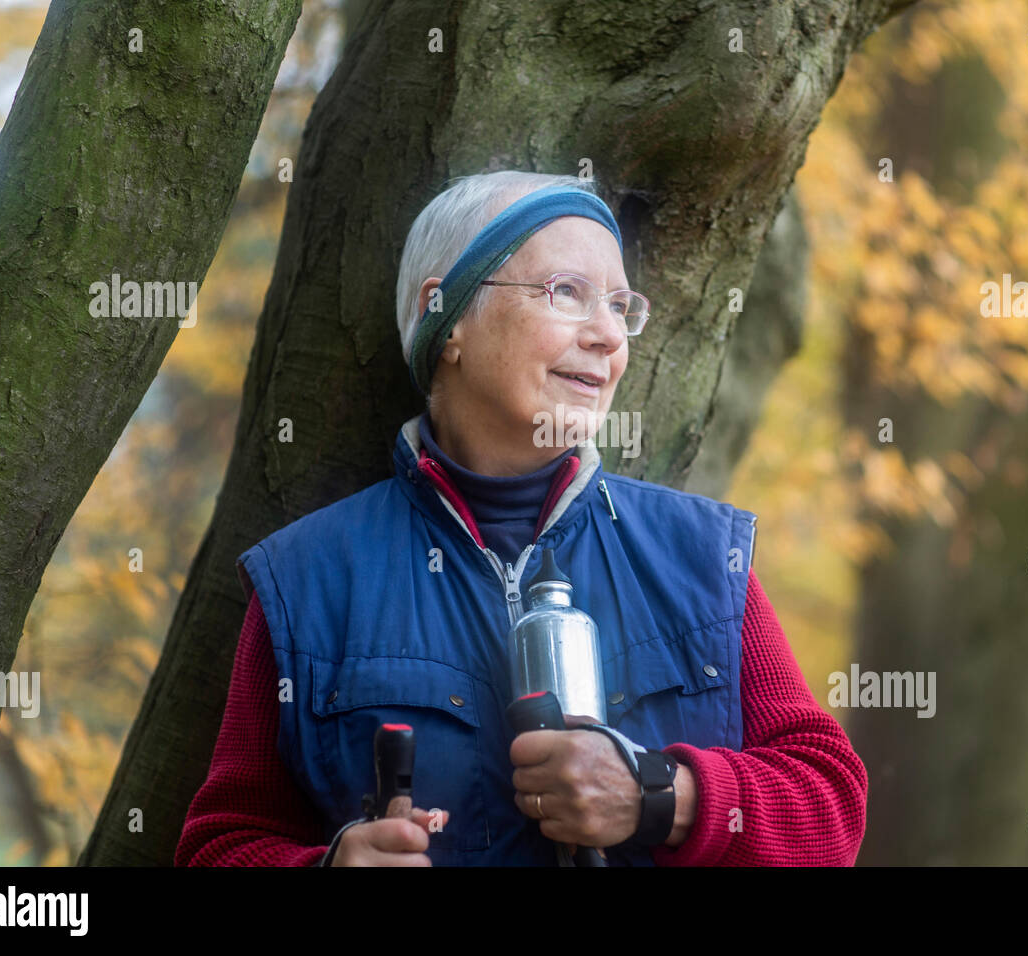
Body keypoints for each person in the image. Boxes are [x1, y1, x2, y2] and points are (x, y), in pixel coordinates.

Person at [175, 170, 868, 866]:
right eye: (566, 293)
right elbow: (218, 846)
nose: (608, 336)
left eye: (621, 307)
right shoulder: (307, 579)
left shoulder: (701, 556)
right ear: (444, 318)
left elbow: (831, 811)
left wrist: (661, 797)